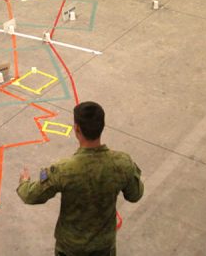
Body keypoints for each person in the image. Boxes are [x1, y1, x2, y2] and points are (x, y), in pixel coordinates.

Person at [17, 101, 144, 255]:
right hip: (103, 246)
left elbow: (31, 196)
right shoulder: (122, 163)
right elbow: (135, 195)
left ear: (77, 129)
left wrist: (24, 182)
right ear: (102, 126)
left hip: (71, 248)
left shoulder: (64, 170)